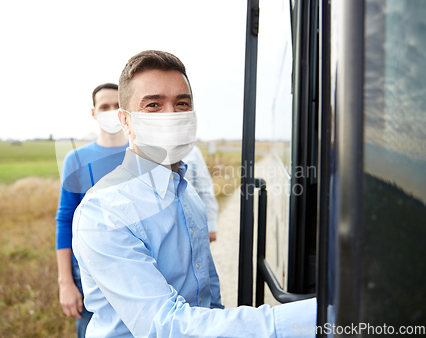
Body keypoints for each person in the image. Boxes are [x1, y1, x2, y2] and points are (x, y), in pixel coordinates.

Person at [72, 50, 316, 337]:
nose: (171, 115)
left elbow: (208, 300)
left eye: (182, 103)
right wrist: (316, 317)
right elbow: (166, 326)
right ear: (125, 121)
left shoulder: (187, 195)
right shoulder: (103, 212)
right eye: (153, 104)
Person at [55, 83, 128, 338]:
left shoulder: (141, 155)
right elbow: (65, 220)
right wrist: (66, 282)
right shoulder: (76, 159)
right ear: (94, 113)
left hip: (135, 268)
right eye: (104, 106)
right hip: (87, 275)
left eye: (117, 105)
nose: (111, 111)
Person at [183, 145, 218, 242]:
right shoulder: (144, 150)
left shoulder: (192, 151)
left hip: (187, 223)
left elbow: (205, 189)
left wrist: (211, 225)